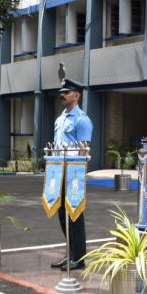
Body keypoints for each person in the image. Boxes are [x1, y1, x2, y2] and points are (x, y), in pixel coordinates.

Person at [50, 79, 93, 271]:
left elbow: (84, 151)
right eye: (62, 92)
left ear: (77, 95)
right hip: (58, 170)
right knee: (61, 214)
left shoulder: (82, 120)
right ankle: (71, 254)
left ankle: (79, 258)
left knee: (74, 214)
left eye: (67, 92)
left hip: (73, 171)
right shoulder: (60, 119)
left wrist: (80, 177)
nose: (63, 94)